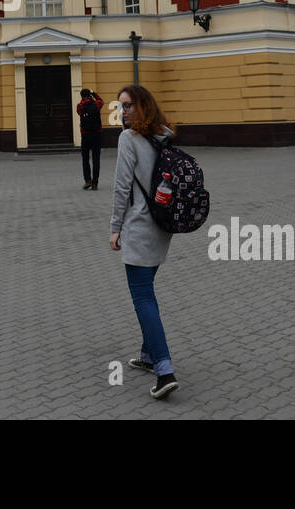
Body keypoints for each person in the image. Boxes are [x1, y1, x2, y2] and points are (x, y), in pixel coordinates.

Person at [109, 84, 180, 401]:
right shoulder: (163, 135)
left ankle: (165, 371)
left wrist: (114, 228)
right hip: (162, 226)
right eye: (120, 106)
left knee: (142, 298)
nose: (122, 112)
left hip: (138, 227)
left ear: (142, 107)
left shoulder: (128, 139)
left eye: (128, 106)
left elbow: (121, 187)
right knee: (146, 290)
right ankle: (148, 356)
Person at [77, 88, 104, 190]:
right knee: (96, 159)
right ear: (90, 95)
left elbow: (79, 113)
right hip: (97, 134)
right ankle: (95, 183)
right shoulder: (97, 104)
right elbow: (101, 101)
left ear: (81, 96)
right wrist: (94, 94)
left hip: (85, 135)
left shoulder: (80, 106)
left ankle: (87, 180)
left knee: (85, 158)